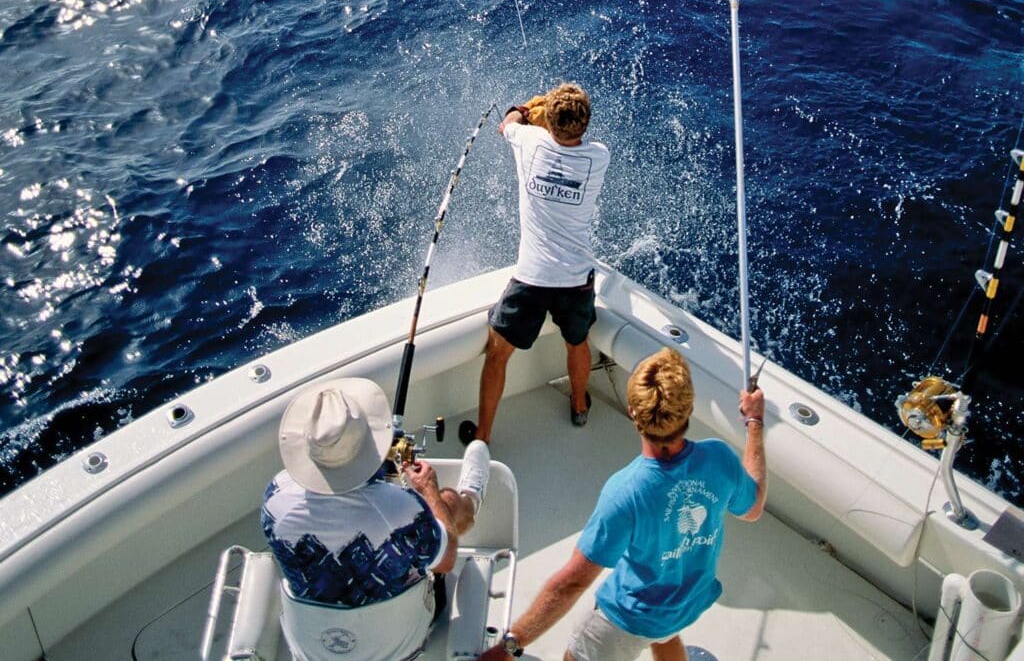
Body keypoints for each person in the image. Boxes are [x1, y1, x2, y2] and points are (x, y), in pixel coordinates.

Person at [479, 347, 767, 661]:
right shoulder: (720, 458)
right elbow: (752, 509)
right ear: (689, 408)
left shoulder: (626, 492)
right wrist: (754, 421)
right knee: (663, 633)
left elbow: (572, 582)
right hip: (687, 604)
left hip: (626, 621)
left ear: (633, 411)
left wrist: (509, 646)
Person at [261, 377, 491, 661]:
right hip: (399, 646)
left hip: (314, 648)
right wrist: (428, 490)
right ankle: (471, 496)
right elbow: (447, 560)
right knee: (448, 503)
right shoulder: (404, 511)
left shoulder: (275, 499)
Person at [463, 82, 610, 445]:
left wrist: (528, 108)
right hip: (576, 278)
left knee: (498, 354)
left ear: (549, 121)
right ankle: (579, 405)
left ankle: (483, 435)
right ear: (585, 122)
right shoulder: (599, 156)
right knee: (577, 343)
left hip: (532, 278)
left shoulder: (529, 143)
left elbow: (508, 123)